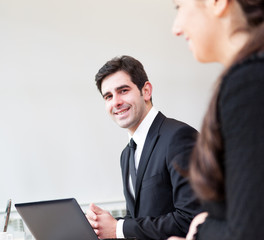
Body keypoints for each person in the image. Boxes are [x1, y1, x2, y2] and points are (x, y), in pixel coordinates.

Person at [168, 0, 264, 240]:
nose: (176, 28)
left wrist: (200, 230)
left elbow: (250, 233)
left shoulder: (249, 83)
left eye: (178, 7)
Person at [86, 55, 202, 239]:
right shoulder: (127, 154)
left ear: (146, 91)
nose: (115, 102)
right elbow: (142, 218)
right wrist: (103, 226)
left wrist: (119, 229)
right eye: (108, 96)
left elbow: (191, 219)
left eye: (123, 90)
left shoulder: (179, 137)